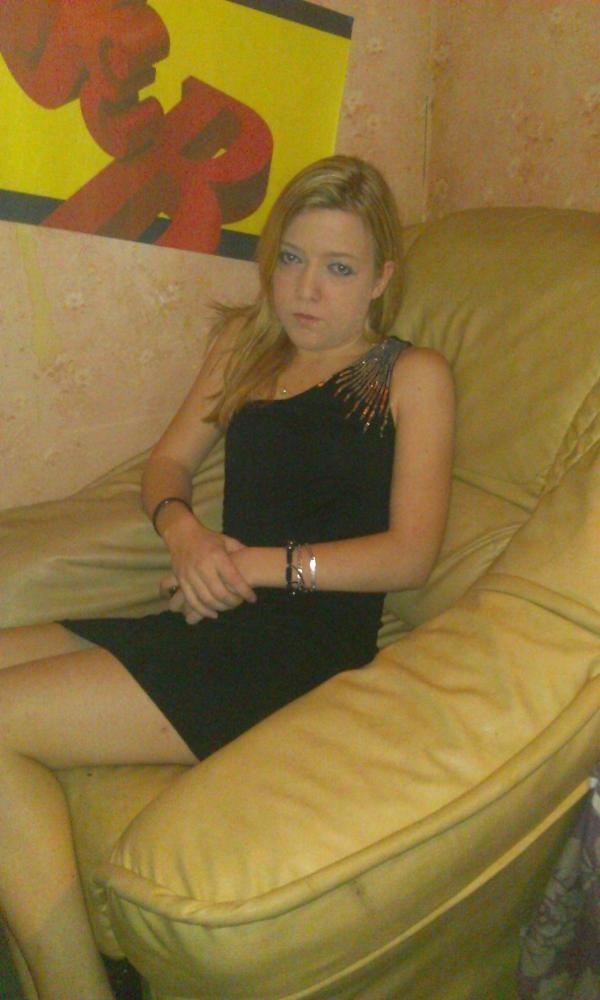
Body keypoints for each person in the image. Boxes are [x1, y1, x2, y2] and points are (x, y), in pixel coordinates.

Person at [0, 155, 455, 999]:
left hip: (298, 653)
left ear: (381, 280)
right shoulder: (246, 347)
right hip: (214, 613)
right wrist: (184, 533)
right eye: (293, 259)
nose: (307, 289)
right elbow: (167, 464)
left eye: (339, 268)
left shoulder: (409, 376)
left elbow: (410, 554)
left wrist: (255, 564)